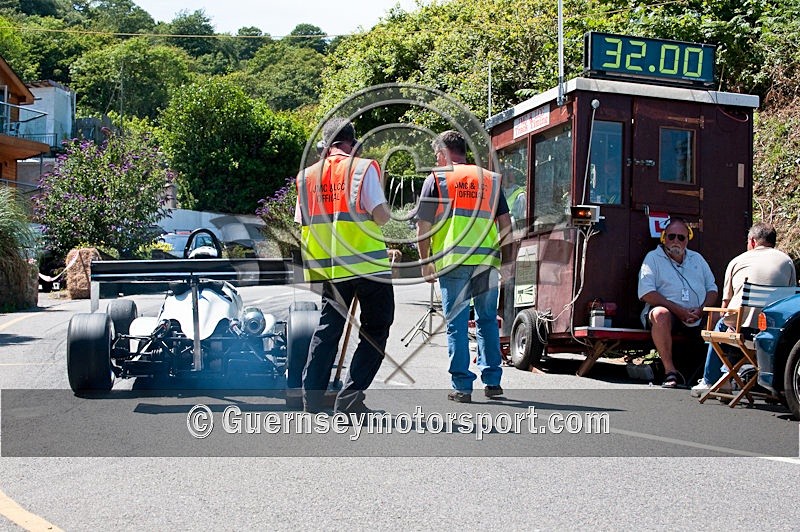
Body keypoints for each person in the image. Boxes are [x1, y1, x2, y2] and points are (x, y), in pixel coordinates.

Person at [295, 118, 394, 414]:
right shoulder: (362, 168)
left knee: (327, 330)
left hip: (330, 268)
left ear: (326, 146)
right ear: (352, 143)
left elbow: (301, 222)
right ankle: (349, 400)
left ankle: (311, 400)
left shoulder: (307, 176)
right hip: (367, 266)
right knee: (375, 329)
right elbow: (380, 216)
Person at [415, 130, 512, 403]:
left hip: (453, 262)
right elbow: (506, 225)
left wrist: (426, 263)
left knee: (457, 324)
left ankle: (462, 386)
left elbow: (423, 226)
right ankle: (492, 381)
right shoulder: (490, 180)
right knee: (487, 321)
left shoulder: (437, 179)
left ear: (444, 153)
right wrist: (508, 262)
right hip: (486, 262)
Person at [691, 222, 797, 397]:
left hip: (744, 331)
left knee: (720, 326)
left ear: (753, 242)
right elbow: (790, 299)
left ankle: (712, 380)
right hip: (775, 332)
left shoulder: (738, 261)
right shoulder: (787, 262)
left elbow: (726, 305)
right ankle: (734, 376)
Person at [637, 217, 717, 388]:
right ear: (664, 238)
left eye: (681, 237)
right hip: (669, 312)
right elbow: (646, 293)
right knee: (660, 314)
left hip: (697, 313)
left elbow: (712, 289)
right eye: (671, 236)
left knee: (719, 317)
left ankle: (714, 373)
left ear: (688, 239)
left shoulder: (697, 259)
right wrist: (677, 310)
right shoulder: (653, 258)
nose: (676, 241)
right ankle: (670, 372)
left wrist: (702, 310)